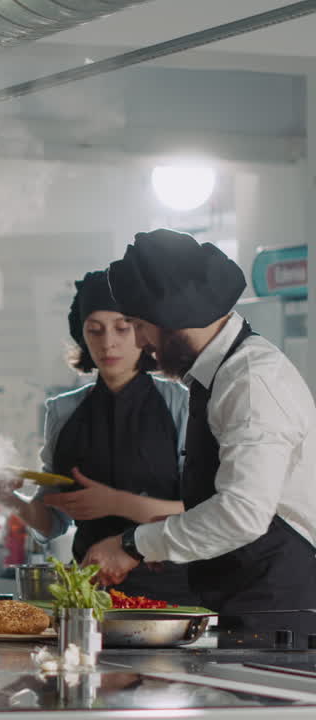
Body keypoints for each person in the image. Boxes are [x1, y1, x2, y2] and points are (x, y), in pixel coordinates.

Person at [84, 229, 316, 615]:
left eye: (139, 325)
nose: (140, 341)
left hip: (279, 608)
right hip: (246, 596)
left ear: (171, 319)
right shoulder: (222, 374)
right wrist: (172, 536)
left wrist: (134, 544)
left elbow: (243, 514)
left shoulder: (250, 381)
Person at [0, 270, 195, 603]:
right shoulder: (63, 411)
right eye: (94, 330)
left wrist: (114, 502)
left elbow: (200, 514)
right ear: (82, 336)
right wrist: (8, 498)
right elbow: (51, 523)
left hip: (171, 598)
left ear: (143, 331)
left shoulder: (181, 404)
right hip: (88, 597)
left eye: (122, 328)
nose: (107, 342)